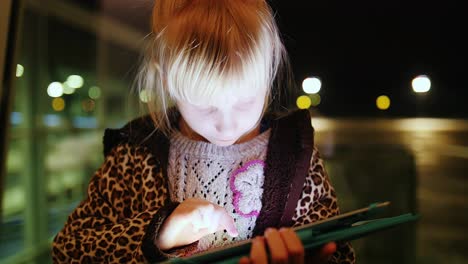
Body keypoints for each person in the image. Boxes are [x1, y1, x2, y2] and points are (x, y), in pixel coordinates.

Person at [52, 0, 355, 263]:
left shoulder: (294, 153)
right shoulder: (135, 154)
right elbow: (71, 250)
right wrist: (160, 233)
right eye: (205, 106)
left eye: (246, 101)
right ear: (167, 79)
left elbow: (339, 251)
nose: (226, 124)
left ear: (270, 71)